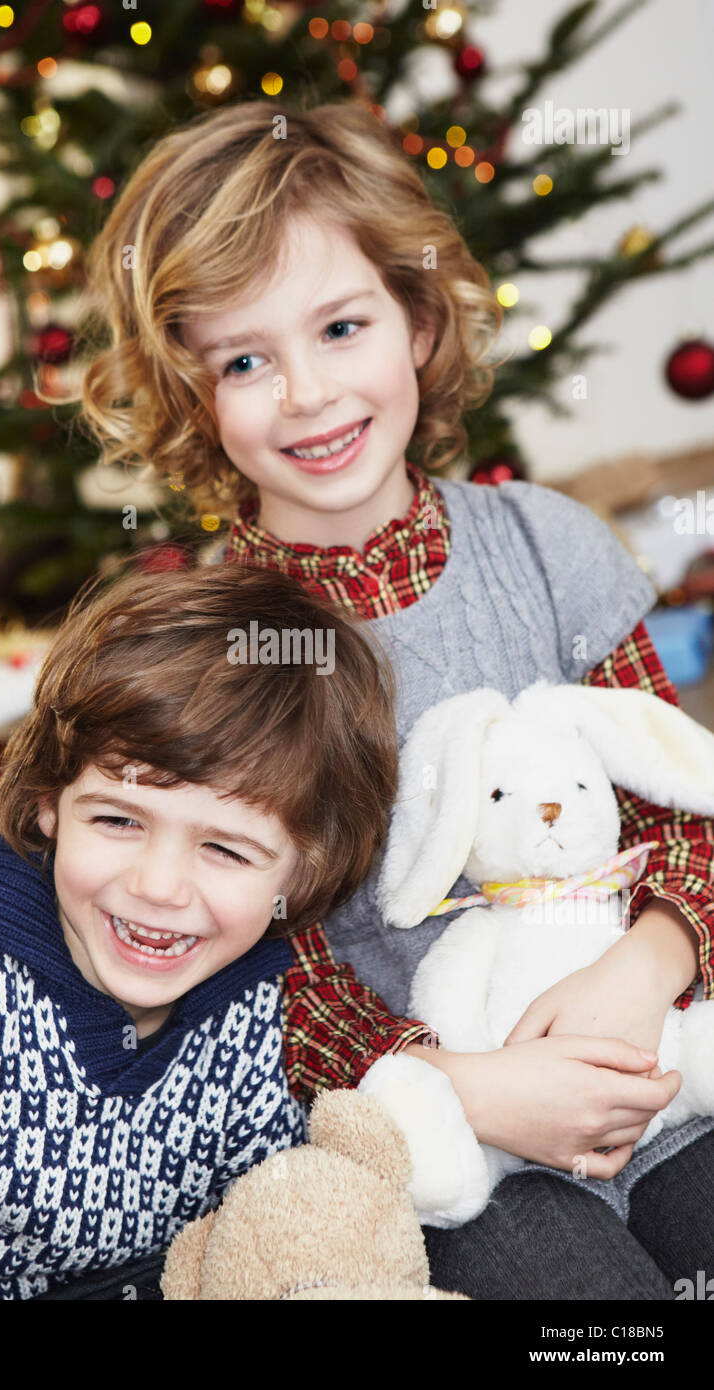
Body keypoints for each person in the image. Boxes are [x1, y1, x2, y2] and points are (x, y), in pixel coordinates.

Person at [74, 98, 714, 1300]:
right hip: (446, 1150)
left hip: (660, 1062)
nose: (306, 393)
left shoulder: (546, 547)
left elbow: (684, 800)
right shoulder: (220, 648)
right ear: (191, 391)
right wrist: (459, 1084)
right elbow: (245, 960)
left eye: (341, 326)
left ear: (417, 320)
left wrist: (644, 965)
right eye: (246, 360)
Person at [0, 564, 441, 1301]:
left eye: (224, 849)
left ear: (304, 872)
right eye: (118, 820)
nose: (158, 888)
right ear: (47, 803)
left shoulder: (274, 1026)